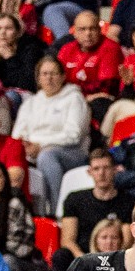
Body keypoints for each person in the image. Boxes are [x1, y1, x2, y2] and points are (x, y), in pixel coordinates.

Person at [14, 56, 92, 213]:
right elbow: (18, 134)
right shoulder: (31, 103)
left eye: (53, 73)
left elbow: (74, 135)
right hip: (33, 153)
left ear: (62, 76)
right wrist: (28, 147)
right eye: (44, 74)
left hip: (71, 153)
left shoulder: (74, 98)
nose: (49, 78)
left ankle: (57, 211)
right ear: (38, 78)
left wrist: (40, 145)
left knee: (46, 156)